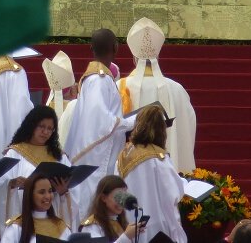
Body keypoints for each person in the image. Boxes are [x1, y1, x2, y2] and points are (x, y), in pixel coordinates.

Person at [62, 30, 132, 217]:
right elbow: (102, 121)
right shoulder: (99, 79)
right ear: (116, 48)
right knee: (92, 208)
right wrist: (135, 121)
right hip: (96, 157)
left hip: (97, 152)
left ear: (91, 48)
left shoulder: (98, 78)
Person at [117, 18, 196, 173]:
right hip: (170, 171)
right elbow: (188, 126)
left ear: (134, 57)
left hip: (129, 170)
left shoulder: (118, 86)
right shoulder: (177, 89)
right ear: (157, 56)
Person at [0, 106, 77, 233]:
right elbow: (0, 185)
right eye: (42, 126)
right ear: (32, 125)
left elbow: (74, 192)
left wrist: (63, 192)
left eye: (50, 129)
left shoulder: (60, 157)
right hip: (24, 223)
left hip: (53, 220)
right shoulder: (14, 153)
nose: (45, 132)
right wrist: (12, 184)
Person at [116, 105, 186, 243]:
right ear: (161, 130)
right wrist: (184, 182)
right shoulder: (159, 157)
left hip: (132, 225)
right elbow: (174, 192)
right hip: (158, 225)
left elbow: (117, 191)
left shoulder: (124, 155)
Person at [0, 175, 70, 243]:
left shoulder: (61, 226)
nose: (48, 196)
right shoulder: (16, 227)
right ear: (30, 195)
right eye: (42, 192)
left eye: (50, 191)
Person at [78, 175, 143, 243]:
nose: (121, 202)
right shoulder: (92, 226)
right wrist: (126, 236)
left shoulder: (119, 221)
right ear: (103, 198)